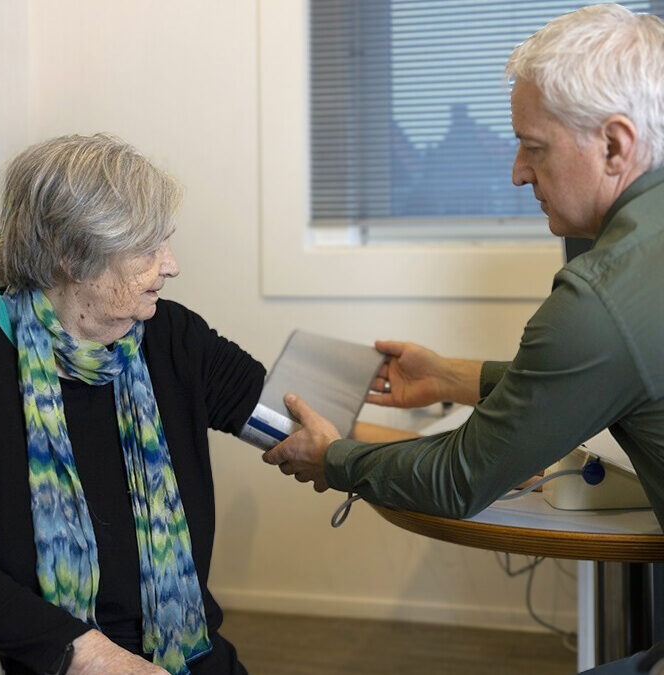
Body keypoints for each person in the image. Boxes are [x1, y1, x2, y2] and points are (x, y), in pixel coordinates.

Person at [263, 5, 664, 672]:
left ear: (615, 145)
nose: (515, 172)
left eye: (533, 147)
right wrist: (452, 376)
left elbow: (457, 479)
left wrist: (332, 457)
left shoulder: (600, 295)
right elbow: (614, 370)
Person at [0, 134, 265, 675]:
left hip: (181, 646)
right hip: (37, 657)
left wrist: (342, 446)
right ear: (73, 256)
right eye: (148, 248)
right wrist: (88, 654)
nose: (172, 265)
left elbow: (269, 410)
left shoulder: (166, 333)